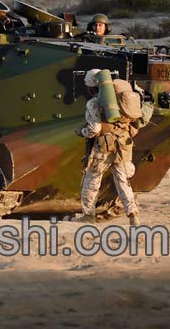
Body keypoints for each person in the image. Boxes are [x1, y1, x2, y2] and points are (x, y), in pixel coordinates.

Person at [73, 69, 142, 226]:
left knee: (92, 179)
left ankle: (88, 215)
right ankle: (133, 215)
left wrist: (81, 132)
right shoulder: (119, 100)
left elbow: (94, 129)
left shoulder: (94, 103)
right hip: (123, 145)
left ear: (91, 86)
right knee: (123, 181)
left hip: (103, 146)